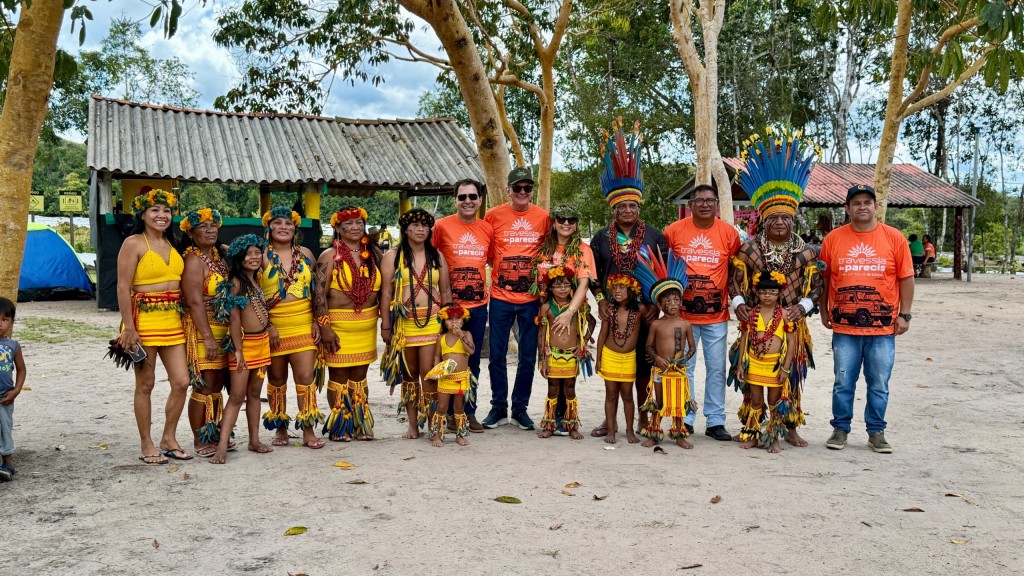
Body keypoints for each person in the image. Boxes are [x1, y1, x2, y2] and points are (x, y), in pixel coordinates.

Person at [730, 128, 823, 448]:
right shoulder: (749, 250)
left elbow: (817, 288)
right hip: (755, 322)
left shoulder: (807, 252)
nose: (779, 222)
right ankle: (753, 427)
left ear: (793, 220)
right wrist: (740, 305)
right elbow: (734, 280)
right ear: (764, 221)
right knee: (752, 374)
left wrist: (802, 307)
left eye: (785, 217)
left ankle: (789, 427)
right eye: (773, 218)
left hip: (791, 325)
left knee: (790, 375)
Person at [819, 184, 915, 453]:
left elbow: (906, 278)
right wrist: (824, 310)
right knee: (843, 381)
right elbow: (825, 279)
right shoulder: (833, 239)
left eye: (867, 202)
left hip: (883, 329)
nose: (862, 207)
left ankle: (876, 432)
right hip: (844, 328)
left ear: (876, 206)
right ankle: (840, 429)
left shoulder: (894, 238)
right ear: (847, 208)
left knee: (879, 382)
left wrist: (905, 314)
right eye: (856, 203)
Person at [589, 119, 666, 438]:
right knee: (613, 366)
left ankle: (644, 420)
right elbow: (592, 275)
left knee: (644, 366)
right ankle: (610, 422)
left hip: (645, 312)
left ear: (639, 207)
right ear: (613, 208)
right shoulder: (599, 238)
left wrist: (655, 305)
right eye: (622, 206)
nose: (628, 210)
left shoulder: (655, 237)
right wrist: (601, 300)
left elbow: (664, 275)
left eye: (633, 205)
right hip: (613, 312)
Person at [116, 187, 191, 464]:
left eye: (166, 210)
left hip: (173, 321)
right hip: (143, 322)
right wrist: (129, 328)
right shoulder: (133, 243)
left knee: (182, 382)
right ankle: (147, 443)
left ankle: (168, 438)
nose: (162, 215)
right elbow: (123, 288)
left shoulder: (173, 242)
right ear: (142, 214)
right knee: (145, 384)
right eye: (155, 210)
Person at [663, 183, 740, 442]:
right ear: (691, 205)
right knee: (684, 366)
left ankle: (715, 421)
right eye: (700, 200)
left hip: (716, 316)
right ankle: (685, 417)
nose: (705, 204)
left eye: (710, 200)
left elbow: (736, 269)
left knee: (717, 367)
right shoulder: (673, 231)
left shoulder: (729, 233)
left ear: (717, 204)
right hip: (680, 315)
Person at [483, 167, 550, 430]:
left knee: (528, 356)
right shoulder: (493, 215)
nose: (523, 192)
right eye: (517, 188)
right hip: (500, 297)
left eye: (527, 188)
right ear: (508, 190)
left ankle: (520, 409)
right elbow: (490, 254)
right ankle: (498, 407)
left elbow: (547, 253)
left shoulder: (543, 217)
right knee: (496, 354)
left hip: (531, 298)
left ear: (532, 190)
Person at [380, 208, 452, 439]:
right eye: (415, 225)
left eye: (424, 226)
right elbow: (386, 292)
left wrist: (448, 322)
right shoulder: (393, 256)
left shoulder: (436, 256)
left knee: (429, 374)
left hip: (432, 321)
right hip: (404, 324)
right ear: (405, 229)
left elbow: (445, 291)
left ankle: (433, 423)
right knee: (409, 375)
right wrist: (386, 326)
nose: (420, 230)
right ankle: (412, 425)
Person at [259, 207, 328, 449]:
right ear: (269, 227)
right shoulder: (261, 256)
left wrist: (317, 320)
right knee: (277, 379)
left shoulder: (306, 254)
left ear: (295, 228)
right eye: (277, 223)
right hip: (274, 327)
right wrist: (267, 325)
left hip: (303, 325)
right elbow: (253, 294)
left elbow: (317, 291)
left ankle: (308, 429)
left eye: (288, 223)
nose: (283, 227)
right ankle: (280, 427)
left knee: (306, 377)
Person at [432, 179, 493, 433]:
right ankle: (443, 412)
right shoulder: (441, 226)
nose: (468, 201)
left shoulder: (487, 229)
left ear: (480, 200)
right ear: (455, 200)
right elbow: (428, 257)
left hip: (477, 306)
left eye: (472, 196)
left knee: (472, 359)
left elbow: (492, 261)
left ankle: (469, 412)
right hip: (449, 308)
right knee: (445, 358)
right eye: (462, 197)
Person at [531, 203, 597, 435]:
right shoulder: (544, 249)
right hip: (549, 311)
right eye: (561, 219)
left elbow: (583, 283)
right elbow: (539, 282)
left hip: (573, 312)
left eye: (571, 219)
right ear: (554, 222)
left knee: (569, 380)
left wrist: (570, 312)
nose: (566, 223)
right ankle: (553, 420)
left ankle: (566, 420)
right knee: (552, 375)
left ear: (577, 224)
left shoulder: (582, 250)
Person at [209, 234, 274, 464]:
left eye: (257, 253)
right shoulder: (236, 282)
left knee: (254, 394)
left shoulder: (256, 279)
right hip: (244, 346)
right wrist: (238, 351)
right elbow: (234, 320)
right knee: (237, 396)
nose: (254, 257)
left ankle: (254, 440)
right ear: (239, 258)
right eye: (248, 254)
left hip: (262, 343)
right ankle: (222, 447)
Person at [317, 206, 380, 442]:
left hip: (366, 325)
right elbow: (319, 295)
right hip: (338, 327)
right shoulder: (328, 256)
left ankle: (360, 423)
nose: (355, 227)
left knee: (360, 377)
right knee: (339, 376)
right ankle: (340, 426)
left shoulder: (373, 254)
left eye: (359, 223)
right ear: (337, 228)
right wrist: (325, 327)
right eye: (349, 224)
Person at [179, 208, 233, 457]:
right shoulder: (193, 259)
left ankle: (214, 431)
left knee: (218, 383)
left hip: (223, 327)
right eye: (202, 227)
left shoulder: (219, 256)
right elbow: (194, 302)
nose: (210, 230)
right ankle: (200, 439)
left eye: (213, 225)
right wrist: (208, 337)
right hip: (203, 329)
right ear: (190, 233)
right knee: (204, 385)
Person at [633, 250, 696, 449]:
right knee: (658, 402)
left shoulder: (685, 324)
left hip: (678, 370)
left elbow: (692, 348)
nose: (673, 304)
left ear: (681, 301)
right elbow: (648, 347)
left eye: (676, 300)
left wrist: (684, 359)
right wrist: (657, 359)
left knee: (678, 403)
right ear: (659, 304)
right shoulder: (656, 325)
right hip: (660, 370)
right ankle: (654, 434)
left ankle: (678, 435)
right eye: (667, 301)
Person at [734, 272, 796, 454]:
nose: (767, 296)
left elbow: (791, 343)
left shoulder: (785, 315)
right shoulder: (751, 314)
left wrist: (785, 368)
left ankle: (774, 438)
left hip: (775, 366)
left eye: (772, 292)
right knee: (756, 401)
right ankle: (753, 435)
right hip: (754, 362)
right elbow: (744, 340)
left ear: (779, 294)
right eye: (763, 292)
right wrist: (740, 365)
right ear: (757, 293)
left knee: (773, 402)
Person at [537, 267, 595, 440]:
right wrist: (542, 359)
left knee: (570, 390)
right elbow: (541, 334)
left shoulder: (577, 306)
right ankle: (550, 425)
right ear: (550, 288)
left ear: (572, 287)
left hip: (571, 356)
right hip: (553, 355)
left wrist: (583, 342)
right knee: (552, 390)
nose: (562, 288)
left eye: (566, 285)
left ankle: (571, 426)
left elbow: (592, 322)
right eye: (558, 285)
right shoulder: (546, 307)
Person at [594, 274, 643, 444]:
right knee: (611, 394)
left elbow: (657, 307)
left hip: (629, 358)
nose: (617, 291)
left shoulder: (639, 310)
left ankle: (630, 430)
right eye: (614, 287)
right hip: (609, 356)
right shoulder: (609, 310)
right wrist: (598, 359)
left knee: (628, 395)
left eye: (622, 287)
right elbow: (602, 336)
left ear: (632, 290)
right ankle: (611, 431)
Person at [428, 303, 474, 447]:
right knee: (441, 407)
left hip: (461, 379)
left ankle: (460, 435)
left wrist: (461, 336)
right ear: (444, 322)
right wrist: (437, 371)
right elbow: (437, 356)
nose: (454, 322)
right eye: (450, 319)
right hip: (445, 379)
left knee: (459, 408)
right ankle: (437, 435)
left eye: (457, 318)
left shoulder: (467, 334)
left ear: (463, 320)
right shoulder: (441, 338)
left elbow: (471, 351)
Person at [0, 298, 26, 481]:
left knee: (5, 427)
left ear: (11, 323)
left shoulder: (13, 346)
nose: (0, 324)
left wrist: (16, 390)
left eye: (5, 319)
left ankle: (7, 463)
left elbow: (21, 369)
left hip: (4, 396)